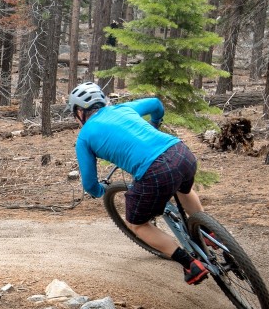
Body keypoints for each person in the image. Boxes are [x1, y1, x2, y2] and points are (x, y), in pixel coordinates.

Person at [68, 82, 209, 285]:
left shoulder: (84, 137)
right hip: (181, 152)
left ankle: (190, 264)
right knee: (183, 188)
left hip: (155, 171)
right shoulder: (123, 108)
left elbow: (89, 184)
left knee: (138, 224)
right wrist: (155, 123)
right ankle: (210, 233)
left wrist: (101, 190)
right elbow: (155, 103)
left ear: (80, 112)